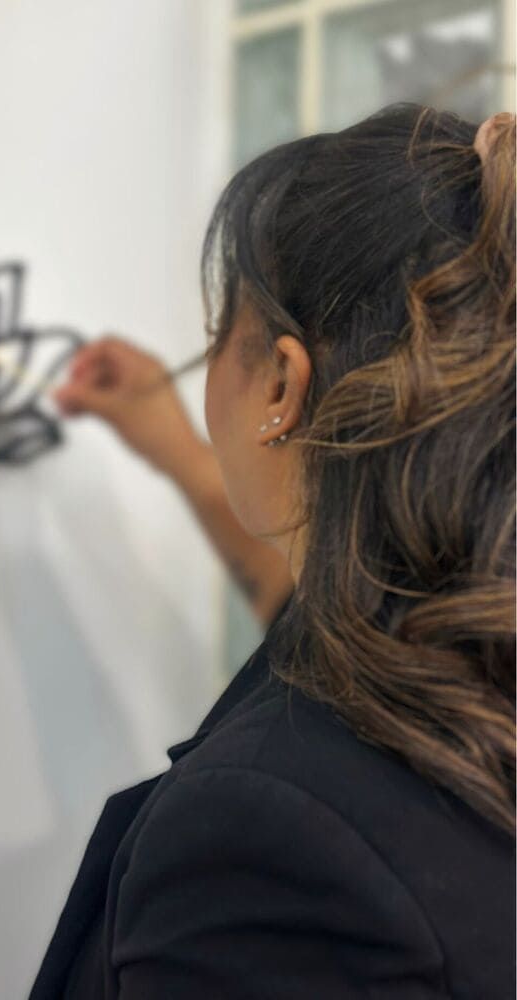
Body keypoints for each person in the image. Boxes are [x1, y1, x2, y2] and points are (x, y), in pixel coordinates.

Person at [28, 104, 516, 999]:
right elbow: (305, 621)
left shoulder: (271, 838)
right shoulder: (455, 643)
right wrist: (178, 447)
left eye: (220, 329)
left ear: (283, 383)